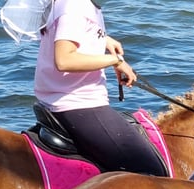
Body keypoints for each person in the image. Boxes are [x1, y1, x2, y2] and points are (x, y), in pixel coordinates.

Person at [34, 0, 167, 175]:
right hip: (77, 104)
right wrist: (115, 60)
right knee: (153, 173)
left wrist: (102, 39)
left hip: (66, 99)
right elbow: (64, 59)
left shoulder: (80, 5)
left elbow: (71, 30)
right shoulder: (76, 6)